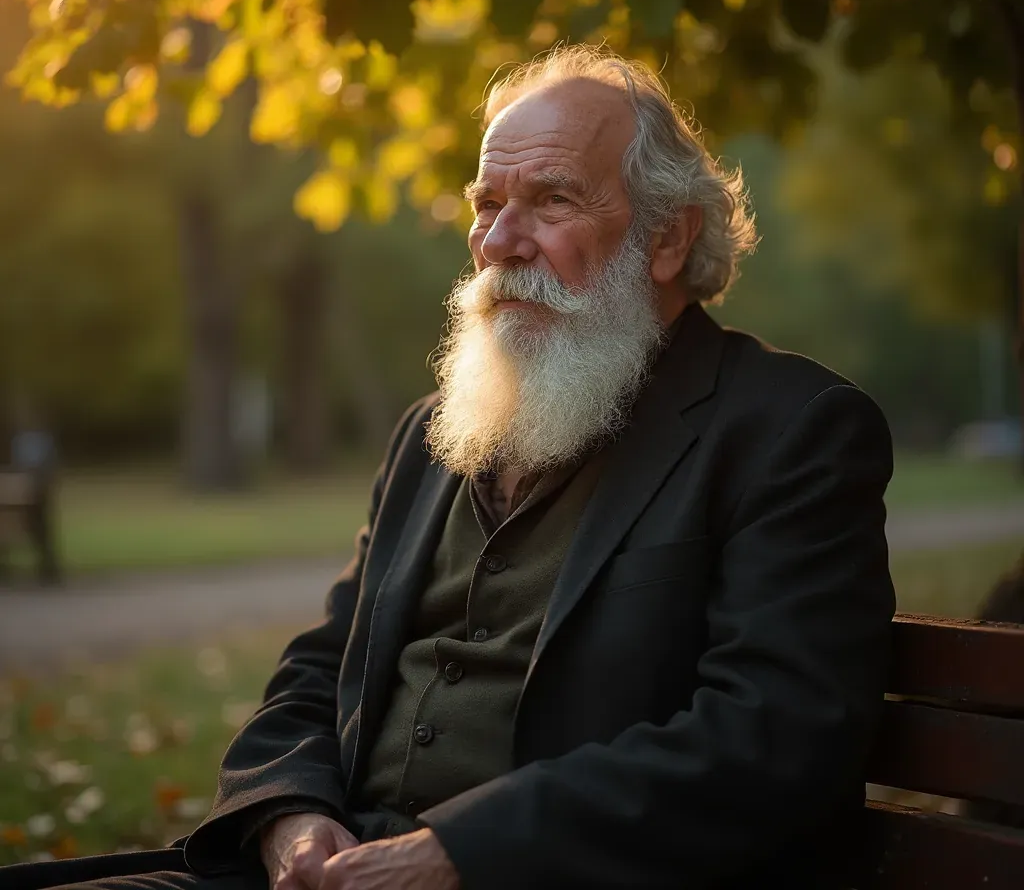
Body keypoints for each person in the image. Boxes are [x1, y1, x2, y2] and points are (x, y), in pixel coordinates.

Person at [9, 45, 895, 890]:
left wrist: (461, 856)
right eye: (485, 204)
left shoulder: (790, 431)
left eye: (551, 200)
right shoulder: (433, 435)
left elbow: (775, 737)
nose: (500, 241)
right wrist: (290, 815)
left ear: (668, 239)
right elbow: (321, 670)